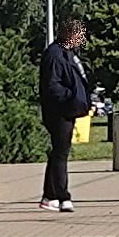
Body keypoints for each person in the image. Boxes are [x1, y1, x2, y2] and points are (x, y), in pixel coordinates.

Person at [34, 16, 91, 210]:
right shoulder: (55, 55)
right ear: (69, 34)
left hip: (70, 109)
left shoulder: (70, 54)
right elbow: (52, 86)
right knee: (60, 153)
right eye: (79, 35)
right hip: (59, 111)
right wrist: (72, 98)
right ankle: (62, 195)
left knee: (59, 152)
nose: (82, 39)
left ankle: (50, 196)